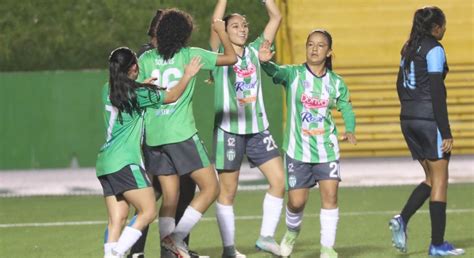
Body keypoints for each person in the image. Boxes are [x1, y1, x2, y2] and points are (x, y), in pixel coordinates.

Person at [137, 8, 237, 258]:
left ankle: (168, 255)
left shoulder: (146, 59)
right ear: (184, 34)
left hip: (154, 138)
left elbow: (133, 86)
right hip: (180, 135)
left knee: (170, 198)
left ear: (160, 32)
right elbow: (231, 57)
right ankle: (176, 239)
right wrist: (222, 32)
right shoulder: (190, 55)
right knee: (211, 189)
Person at [258, 29, 357, 258]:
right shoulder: (293, 74)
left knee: (330, 196)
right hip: (297, 150)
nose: (314, 48)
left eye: (320, 45)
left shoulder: (336, 82)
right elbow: (275, 70)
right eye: (310, 44)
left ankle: (327, 248)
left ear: (329, 51)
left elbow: (346, 107)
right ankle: (292, 233)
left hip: (326, 149)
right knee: (296, 202)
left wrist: (349, 129)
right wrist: (265, 62)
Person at [96, 47, 202, 258]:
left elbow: (125, 90)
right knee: (149, 211)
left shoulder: (106, 89)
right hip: (125, 162)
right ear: (134, 67)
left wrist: (140, 85)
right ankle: (117, 253)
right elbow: (171, 96)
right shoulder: (139, 94)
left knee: (117, 219)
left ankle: (111, 254)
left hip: (105, 164)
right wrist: (188, 75)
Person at [209, 0, 285, 257]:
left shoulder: (254, 51)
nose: (242, 29)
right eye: (236, 25)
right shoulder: (219, 52)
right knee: (228, 192)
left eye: (244, 25)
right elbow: (215, 23)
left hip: (258, 129)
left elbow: (276, 18)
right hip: (229, 131)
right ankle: (229, 249)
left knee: (279, 182)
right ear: (226, 30)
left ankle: (266, 237)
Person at [129, 9, 206, 258]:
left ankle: (175, 248)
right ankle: (137, 250)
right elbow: (134, 95)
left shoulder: (170, 53)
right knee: (151, 196)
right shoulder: (145, 56)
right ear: (153, 33)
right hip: (152, 136)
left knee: (184, 191)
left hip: (166, 134)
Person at [389, 6, 465, 256]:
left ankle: (402, 219)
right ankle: (438, 243)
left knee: (432, 178)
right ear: (436, 27)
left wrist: (409, 111)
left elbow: (399, 84)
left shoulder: (408, 46)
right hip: (428, 120)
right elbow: (436, 92)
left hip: (408, 118)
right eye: (443, 25)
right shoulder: (434, 49)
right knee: (441, 179)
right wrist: (446, 130)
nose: (445, 29)